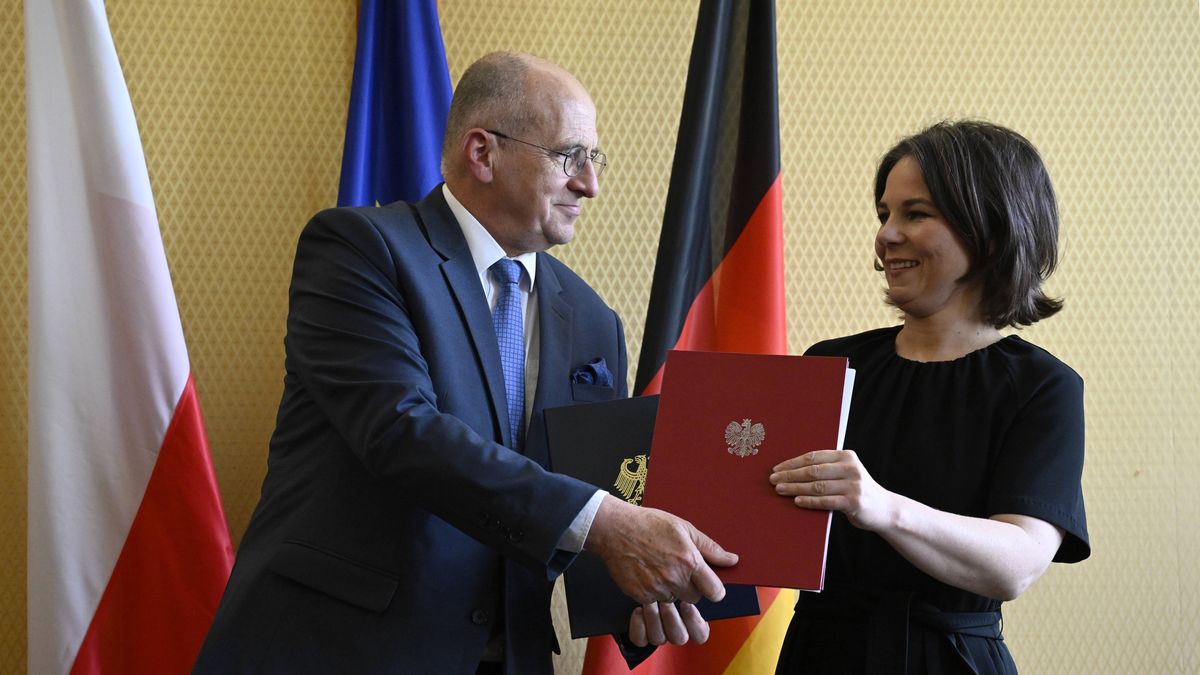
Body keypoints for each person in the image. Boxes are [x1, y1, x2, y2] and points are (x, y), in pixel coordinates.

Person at [193, 51, 734, 675]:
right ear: (483, 152)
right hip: (340, 649)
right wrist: (612, 527)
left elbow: (596, 492)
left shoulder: (593, 321)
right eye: (569, 157)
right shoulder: (361, 250)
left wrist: (638, 599)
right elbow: (401, 432)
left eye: (595, 159)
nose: (590, 185)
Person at [768, 121, 1090, 674]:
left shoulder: (1042, 386)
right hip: (817, 654)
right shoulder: (828, 363)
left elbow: (1016, 563)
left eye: (915, 214)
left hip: (949, 660)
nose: (887, 236)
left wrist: (881, 507)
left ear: (990, 231)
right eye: (884, 215)